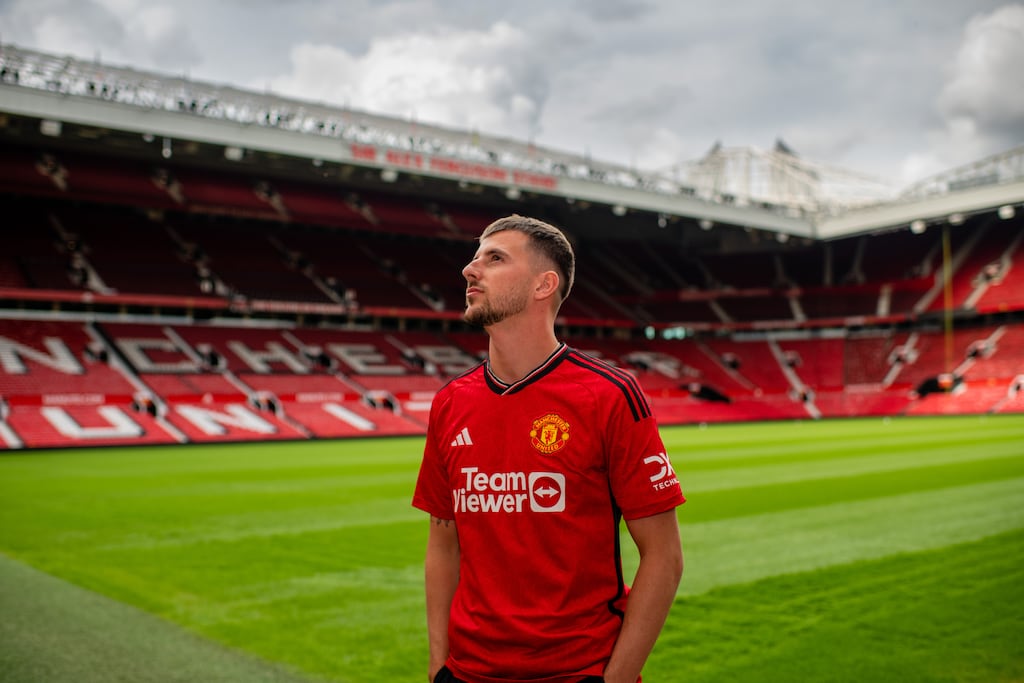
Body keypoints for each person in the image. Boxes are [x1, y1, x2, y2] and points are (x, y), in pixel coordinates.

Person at [412, 215, 685, 683]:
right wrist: (439, 666)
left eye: (495, 258)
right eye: (475, 258)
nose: (469, 270)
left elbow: (664, 556)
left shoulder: (609, 394)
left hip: (577, 672)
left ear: (544, 284)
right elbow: (443, 543)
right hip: (466, 673)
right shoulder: (450, 401)